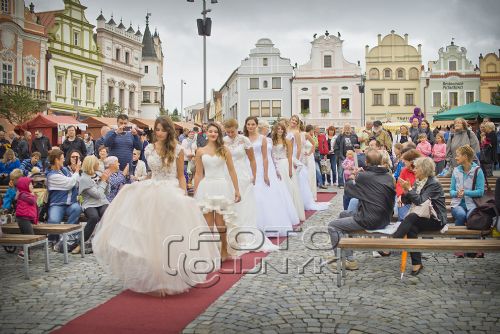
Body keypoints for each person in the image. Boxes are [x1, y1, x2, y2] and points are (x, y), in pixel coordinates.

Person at [93, 116, 220, 296]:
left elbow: (181, 175)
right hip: (152, 190)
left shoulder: (178, 149)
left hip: (171, 191)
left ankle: (170, 277)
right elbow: (152, 173)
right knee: (150, 238)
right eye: (157, 129)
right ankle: (155, 277)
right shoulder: (150, 148)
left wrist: (184, 195)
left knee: (170, 236)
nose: (159, 132)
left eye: (162, 129)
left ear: (169, 130)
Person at [328, 148, 396, 270]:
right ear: (381, 161)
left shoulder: (364, 176)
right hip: (385, 218)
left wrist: (354, 175)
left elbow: (348, 190)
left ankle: (346, 260)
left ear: (366, 162)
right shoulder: (388, 176)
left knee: (333, 226)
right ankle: (347, 254)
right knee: (344, 214)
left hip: (370, 219)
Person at [223, 119, 280, 253]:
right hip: (227, 175)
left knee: (245, 206)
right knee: (231, 205)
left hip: (243, 175)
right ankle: (231, 235)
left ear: (237, 128)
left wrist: (253, 175)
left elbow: (252, 159)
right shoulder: (223, 141)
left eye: (233, 131)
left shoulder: (244, 140)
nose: (230, 134)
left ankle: (246, 235)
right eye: (228, 131)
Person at [194, 122, 240, 261]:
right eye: (210, 131)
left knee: (220, 224)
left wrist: (237, 190)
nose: (213, 134)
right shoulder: (200, 151)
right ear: (206, 133)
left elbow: (232, 170)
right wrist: (196, 193)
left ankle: (224, 248)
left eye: (216, 132)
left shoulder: (224, 150)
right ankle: (210, 252)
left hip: (221, 187)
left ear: (219, 134)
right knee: (208, 225)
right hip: (206, 187)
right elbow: (198, 174)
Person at [394, 157, 447, 275]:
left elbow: (420, 201)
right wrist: (405, 191)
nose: (414, 170)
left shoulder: (434, 184)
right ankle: (417, 264)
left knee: (412, 217)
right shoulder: (419, 182)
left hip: (436, 219)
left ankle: (393, 241)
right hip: (424, 216)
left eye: (416, 167)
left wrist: (409, 189)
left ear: (424, 169)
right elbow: (408, 200)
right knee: (411, 228)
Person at [450, 145, 485, 258]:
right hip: (458, 204)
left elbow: (480, 192)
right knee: (461, 214)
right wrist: (457, 193)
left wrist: (466, 192)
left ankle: (475, 248)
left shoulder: (477, 171)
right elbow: (451, 191)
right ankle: (459, 247)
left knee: (471, 216)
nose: (456, 158)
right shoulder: (456, 170)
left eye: (458, 155)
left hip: (473, 204)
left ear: (465, 156)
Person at [75, 155, 110, 254]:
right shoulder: (84, 179)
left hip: (102, 202)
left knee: (108, 214)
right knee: (94, 217)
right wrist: (103, 181)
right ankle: (80, 243)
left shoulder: (98, 174)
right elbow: (98, 194)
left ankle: (105, 243)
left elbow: (106, 193)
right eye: (96, 163)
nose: (98, 164)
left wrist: (107, 181)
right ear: (92, 165)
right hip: (89, 203)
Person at [46, 149, 81, 245]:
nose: (64, 160)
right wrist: (77, 171)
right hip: (57, 204)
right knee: (53, 220)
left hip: (70, 204)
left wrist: (74, 173)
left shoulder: (64, 170)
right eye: (62, 158)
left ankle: (67, 236)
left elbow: (75, 183)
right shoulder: (51, 175)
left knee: (77, 208)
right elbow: (70, 183)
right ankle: (52, 240)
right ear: (56, 160)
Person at [271, 121, 305, 222]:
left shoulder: (287, 141)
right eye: (278, 129)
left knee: (288, 188)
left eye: (282, 129)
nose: (280, 130)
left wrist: (290, 169)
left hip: (284, 165)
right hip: (274, 165)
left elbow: (290, 156)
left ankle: (291, 211)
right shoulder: (271, 141)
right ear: (275, 130)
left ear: (284, 130)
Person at [14, 177, 39, 260]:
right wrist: (33, 195)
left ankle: (26, 254)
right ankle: (22, 252)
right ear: (24, 186)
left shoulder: (25, 194)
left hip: (25, 218)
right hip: (23, 219)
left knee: (27, 236)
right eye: (30, 184)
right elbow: (32, 201)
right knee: (30, 236)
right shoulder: (24, 194)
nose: (32, 186)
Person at [396, 149, 422, 221]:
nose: (403, 163)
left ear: (411, 162)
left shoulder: (421, 171)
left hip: (418, 200)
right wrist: (401, 194)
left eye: (405, 161)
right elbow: (399, 185)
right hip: (406, 198)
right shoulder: (404, 171)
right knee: (403, 217)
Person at [333, 123, 359, 189]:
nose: (347, 128)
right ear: (344, 128)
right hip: (342, 156)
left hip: (353, 157)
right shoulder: (340, 136)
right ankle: (341, 184)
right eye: (346, 127)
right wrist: (339, 155)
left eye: (348, 127)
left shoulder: (354, 135)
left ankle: (352, 183)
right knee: (340, 171)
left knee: (353, 170)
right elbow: (336, 146)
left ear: (350, 128)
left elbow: (357, 145)